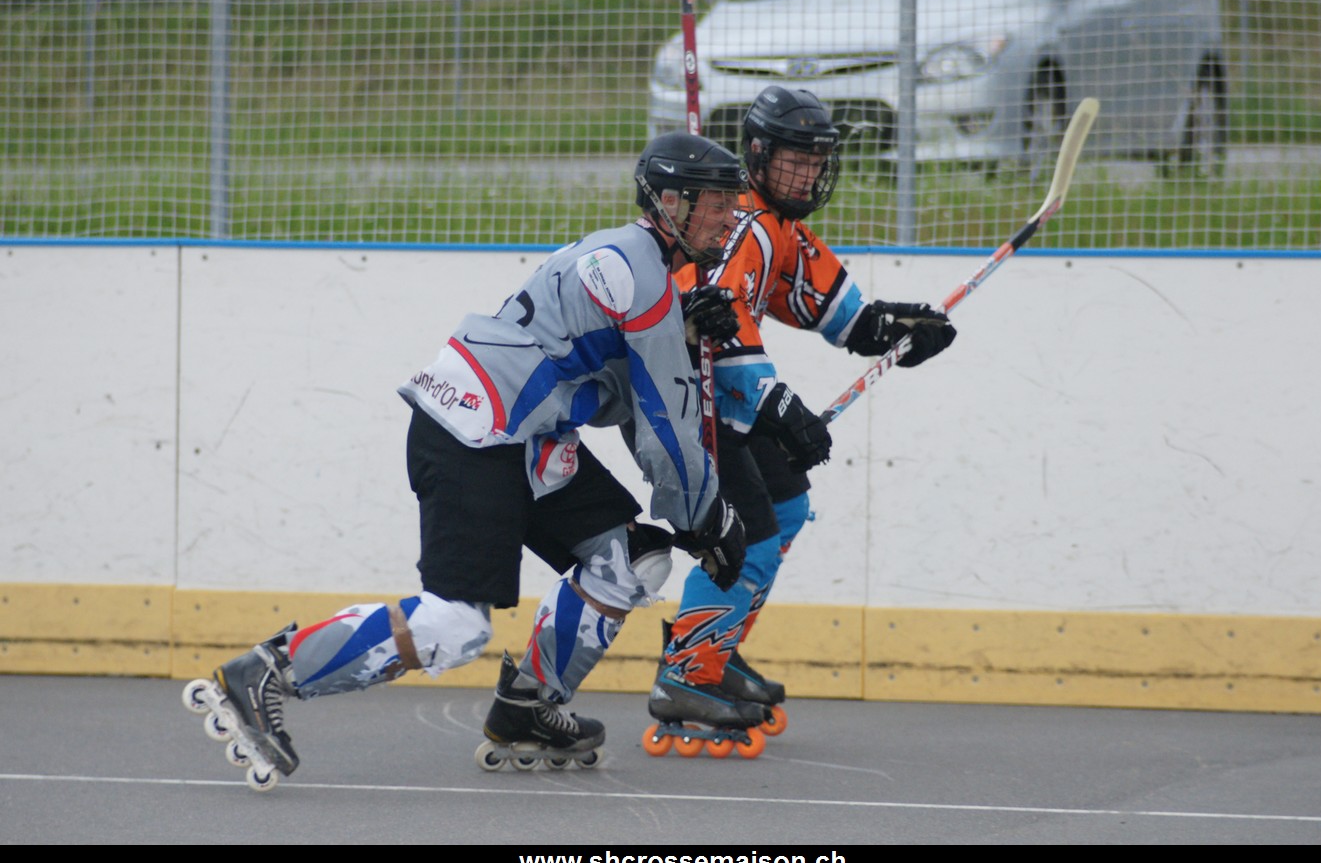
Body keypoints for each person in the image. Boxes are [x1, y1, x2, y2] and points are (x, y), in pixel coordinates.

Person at [182, 131, 752, 788]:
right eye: (717, 204)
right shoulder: (644, 277)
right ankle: (267, 672)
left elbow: (609, 397)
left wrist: (677, 330)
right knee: (453, 625)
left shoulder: (627, 259)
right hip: (474, 434)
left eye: (731, 204)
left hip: (518, 436)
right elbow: (665, 432)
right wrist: (707, 517)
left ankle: (528, 705)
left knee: (632, 557)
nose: (729, 217)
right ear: (671, 203)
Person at [656, 86, 958, 728]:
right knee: (749, 539)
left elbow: (842, 316)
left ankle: (716, 647)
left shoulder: (781, 228)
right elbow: (722, 328)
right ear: (758, 155)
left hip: (723, 399)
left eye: (817, 163)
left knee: (788, 503)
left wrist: (901, 329)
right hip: (689, 401)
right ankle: (686, 672)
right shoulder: (741, 224)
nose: (808, 175)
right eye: (795, 161)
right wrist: (780, 405)